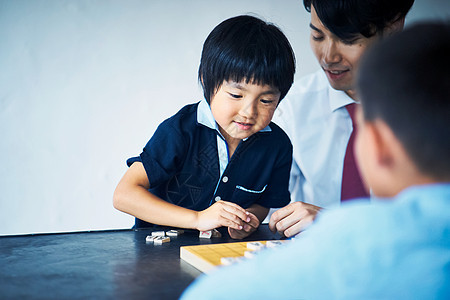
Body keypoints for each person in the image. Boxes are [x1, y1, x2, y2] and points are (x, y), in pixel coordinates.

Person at [181, 21, 450, 299]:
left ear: (378, 145)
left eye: (266, 100)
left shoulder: (331, 260)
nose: (329, 56)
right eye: (318, 35)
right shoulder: (186, 127)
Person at [113, 15, 296, 239]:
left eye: (266, 100)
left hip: (222, 254)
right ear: (206, 81)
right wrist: (198, 219)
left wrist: (248, 219)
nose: (249, 112)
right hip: (157, 253)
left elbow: (263, 203)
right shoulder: (180, 130)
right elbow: (124, 195)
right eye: (236, 95)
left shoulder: (278, 146)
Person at [269, 0, 415, 237]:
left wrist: (334, 222)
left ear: (392, 27)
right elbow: (270, 210)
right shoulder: (291, 106)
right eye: (318, 36)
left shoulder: (432, 106)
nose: (328, 57)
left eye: (347, 40)